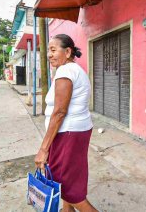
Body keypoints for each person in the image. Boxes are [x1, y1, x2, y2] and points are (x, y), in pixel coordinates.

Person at [34, 34, 98, 212]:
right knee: (67, 178)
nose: (49, 55)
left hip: (68, 133)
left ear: (68, 51)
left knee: (68, 187)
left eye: (54, 50)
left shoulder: (65, 71)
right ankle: (67, 210)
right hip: (76, 131)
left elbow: (60, 112)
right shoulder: (74, 70)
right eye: (48, 51)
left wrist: (43, 149)